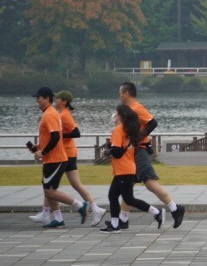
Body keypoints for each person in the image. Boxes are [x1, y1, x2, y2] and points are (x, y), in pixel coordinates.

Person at [28, 90, 106, 226]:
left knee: (51, 189)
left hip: (64, 154)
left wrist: (45, 150)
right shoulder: (55, 113)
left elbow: (75, 133)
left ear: (63, 101)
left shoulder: (62, 114)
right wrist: (41, 145)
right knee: (52, 187)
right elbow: (52, 136)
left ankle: (82, 207)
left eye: (58, 98)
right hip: (61, 154)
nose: (56, 100)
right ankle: (51, 214)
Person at [117, 82, 185, 229]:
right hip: (134, 152)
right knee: (127, 185)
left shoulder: (137, 108)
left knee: (150, 183)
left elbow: (152, 122)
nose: (119, 96)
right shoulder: (129, 110)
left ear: (126, 94)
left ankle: (175, 209)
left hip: (140, 151)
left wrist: (140, 137)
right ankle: (123, 219)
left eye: (120, 94)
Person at [99, 105, 164, 232]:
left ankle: (156, 212)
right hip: (127, 168)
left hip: (123, 169)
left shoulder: (118, 130)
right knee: (113, 196)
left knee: (128, 199)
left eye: (116, 112)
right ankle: (115, 224)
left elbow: (118, 152)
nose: (114, 115)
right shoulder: (129, 130)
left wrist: (107, 151)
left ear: (120, 116)